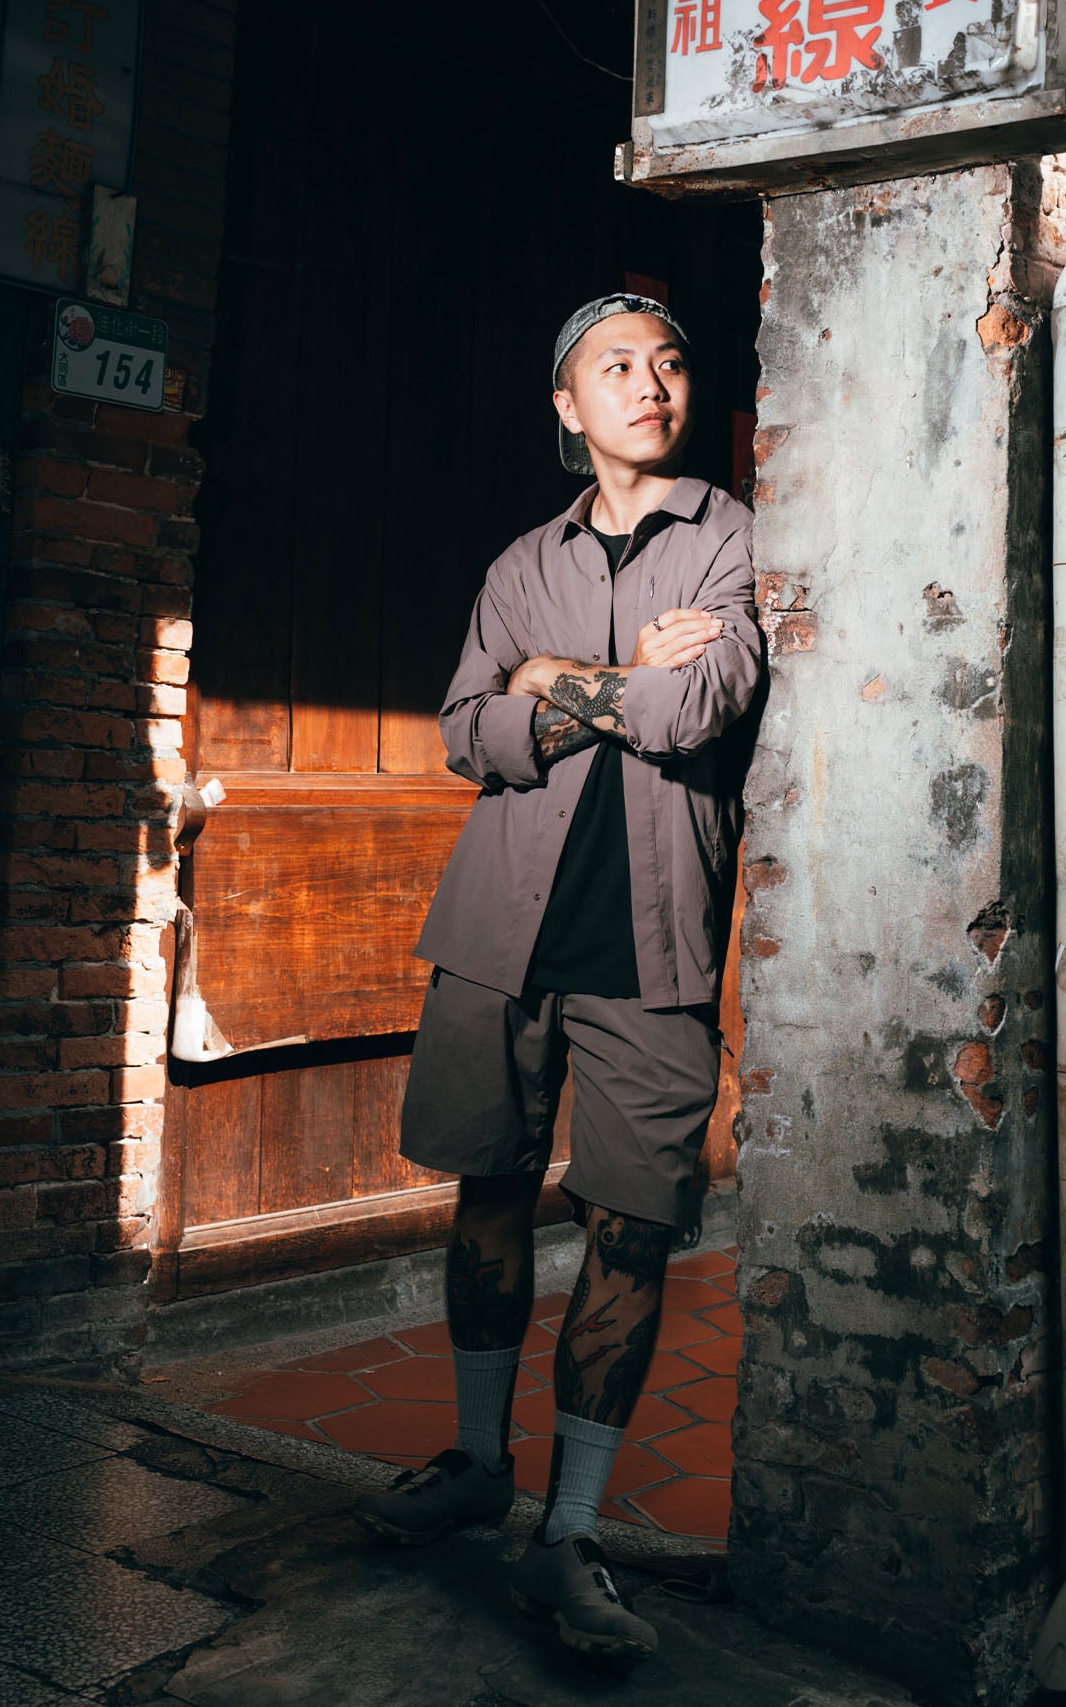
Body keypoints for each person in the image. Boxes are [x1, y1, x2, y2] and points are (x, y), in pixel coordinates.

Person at [352, 291, 762, 1665]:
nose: (651, 383)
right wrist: (610, 679)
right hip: (497, 930)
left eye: (669, 362)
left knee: (633, 1228)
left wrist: (553, 680)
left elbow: (692, 709)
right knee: (487, 1194)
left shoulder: (733, 538)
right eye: (616, 367)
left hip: (654, 942)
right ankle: (479, 1463)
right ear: (566, 408)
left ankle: (568, 1531)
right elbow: (465, 732)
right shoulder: (522, 559)